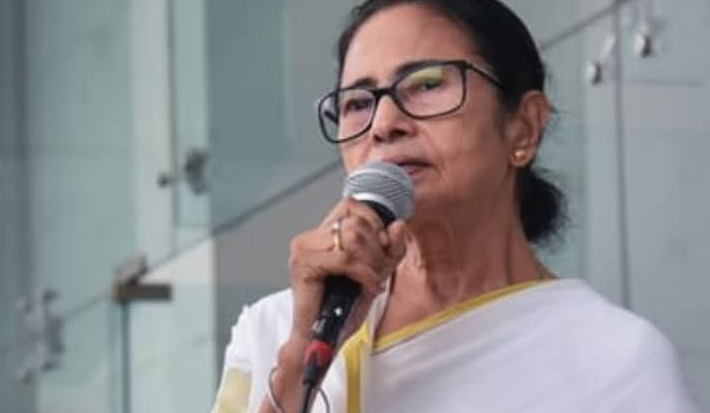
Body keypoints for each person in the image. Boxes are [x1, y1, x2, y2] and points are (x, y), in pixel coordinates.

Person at [211, 0, 699, 412]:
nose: (384, 123)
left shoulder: (612, 361)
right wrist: (301, 357)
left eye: (426, 84)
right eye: (358, 103)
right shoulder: (275, 332)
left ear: (524, 127)